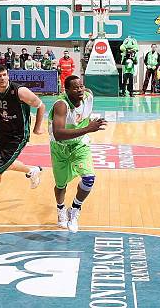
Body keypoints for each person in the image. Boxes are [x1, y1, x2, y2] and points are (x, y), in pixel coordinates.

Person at [0, 65, 45, 213]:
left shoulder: (19, 91)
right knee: (7, 163)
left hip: (19, 134)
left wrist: (37, 127)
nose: (2, 78)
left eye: (4, 75)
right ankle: (32, 170)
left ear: (8, 75)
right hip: (3, 130)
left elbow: (40, 105)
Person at [49, 76, 107, 233]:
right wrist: (89, 128)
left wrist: (89, 125)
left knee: (89, 179)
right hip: (59, 147)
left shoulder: (88, 96)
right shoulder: (61, 105)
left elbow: (84, 115)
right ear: (66, 90)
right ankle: (61, 209)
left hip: (80, 145)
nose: (80, 90)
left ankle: (74, 209)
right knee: (61, 184)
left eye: (81, 86)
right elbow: (59, 133)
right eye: (75, 88)